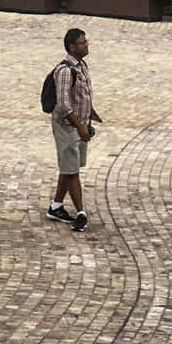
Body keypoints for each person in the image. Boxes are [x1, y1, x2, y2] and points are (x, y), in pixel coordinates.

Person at [46, 28, 100, 232]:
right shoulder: (65, 71)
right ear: (71, 47)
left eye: (86, 42)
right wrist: (79, 126)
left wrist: (90, 115)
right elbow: (62, 105)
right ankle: (81, 213)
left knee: (69, 167)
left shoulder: (82, 66)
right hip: (67, 127)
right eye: (82, 43)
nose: (86, 45)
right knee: (72, 170)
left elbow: (82, 96)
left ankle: (56, 206)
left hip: (80, 125)